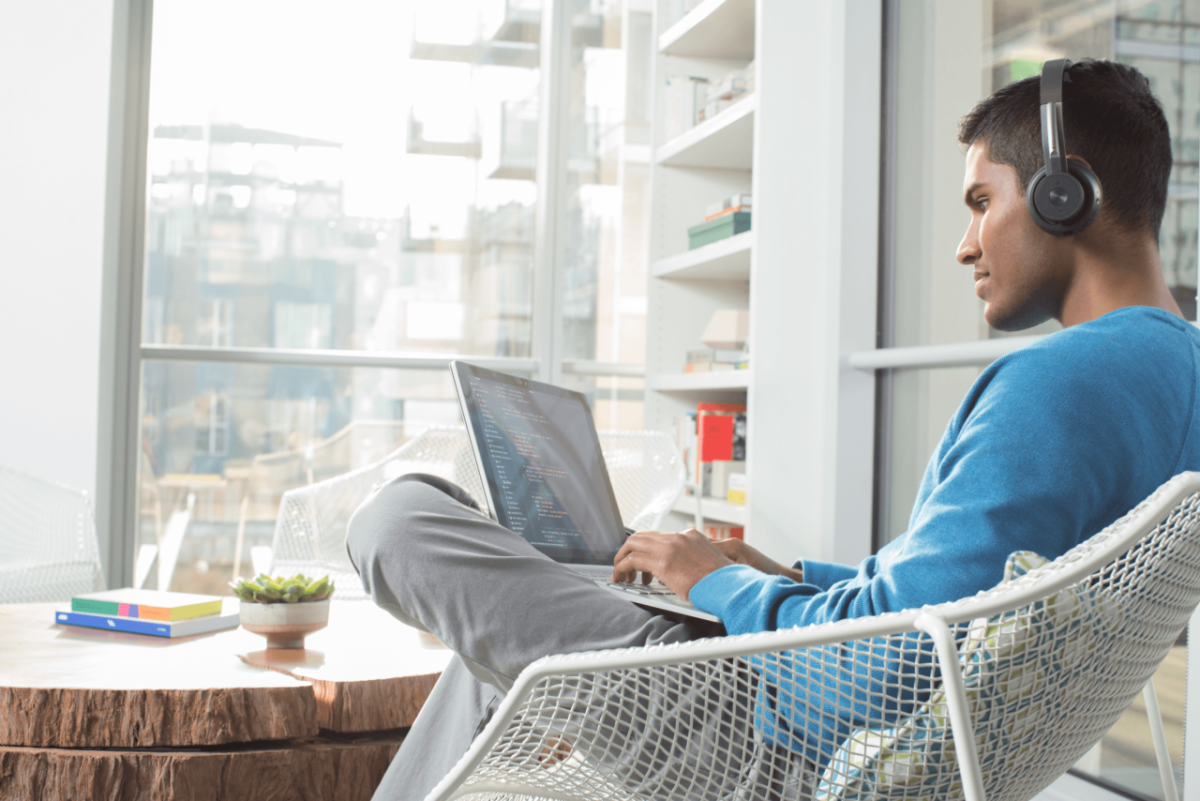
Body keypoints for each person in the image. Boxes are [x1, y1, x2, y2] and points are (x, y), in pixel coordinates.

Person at [347, 59, 1200, 801]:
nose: (965, 245)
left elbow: (887, 668)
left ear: (1065, 194)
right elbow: (963, 608)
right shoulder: (1176, 369)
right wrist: (783, 576)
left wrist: (717, 586)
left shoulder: (1052, 386)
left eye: (982, 201)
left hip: (769, 744)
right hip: (836, 719)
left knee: (398, 518)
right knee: (512, 631)